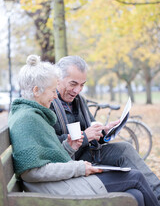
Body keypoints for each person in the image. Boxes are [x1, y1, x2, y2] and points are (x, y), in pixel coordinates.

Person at [8, 54, 159, 206]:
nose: (77, 90)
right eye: (73, 84)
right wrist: (81, 153)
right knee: (135, 179)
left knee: (135, 190)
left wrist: (102, 132)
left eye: (82, 85)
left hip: (70, 169)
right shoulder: (33, 116)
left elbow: (49, 151)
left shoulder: (37, 112)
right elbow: (33, 169)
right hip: (68, 175)